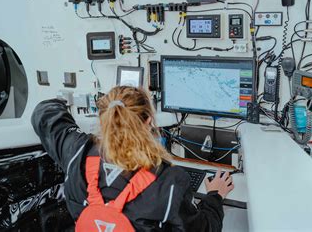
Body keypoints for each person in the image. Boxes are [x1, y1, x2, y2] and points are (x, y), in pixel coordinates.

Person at [31, 86, 234, 231]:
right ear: (148, 122)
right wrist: (215, 196)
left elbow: (44, 114)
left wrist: (59, 102)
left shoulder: (77, 153)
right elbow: (205, 227)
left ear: (103, 120)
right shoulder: (169, 183)